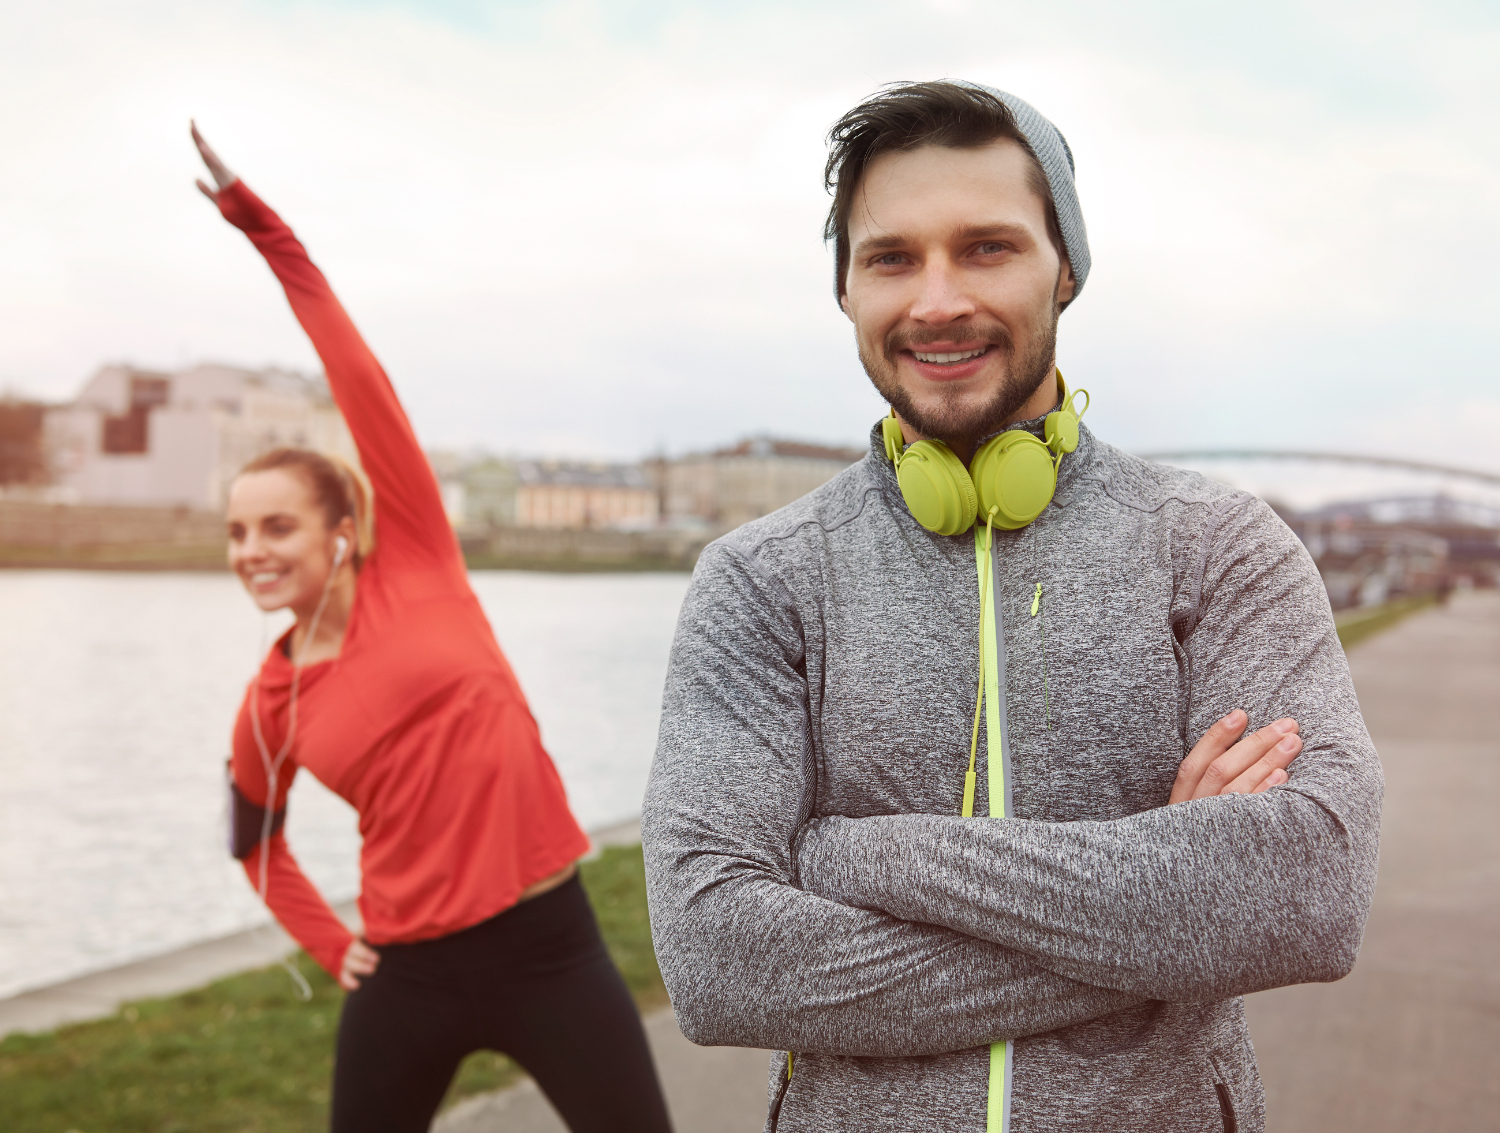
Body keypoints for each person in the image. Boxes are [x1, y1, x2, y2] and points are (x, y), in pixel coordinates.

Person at [642, 81, 1381, 1133]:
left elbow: (1307, 893)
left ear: (1066, 267)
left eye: (987, 247)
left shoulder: (1220, 545)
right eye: (891, 257)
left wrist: (858, 853)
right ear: (846, 290)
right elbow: (719, 963)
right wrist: (1161, 909)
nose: (936, 300)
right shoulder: (762, 579)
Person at [195, 125, 673, 1133]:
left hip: (552, 942)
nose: (252, 548)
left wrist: (263, 227)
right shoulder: (268, 704)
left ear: (344, 527)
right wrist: (332, 944)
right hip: (407, 970)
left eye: (277, 524)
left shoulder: (414, 559)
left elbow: (350, 365)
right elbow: (255, 841)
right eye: (238, 531)